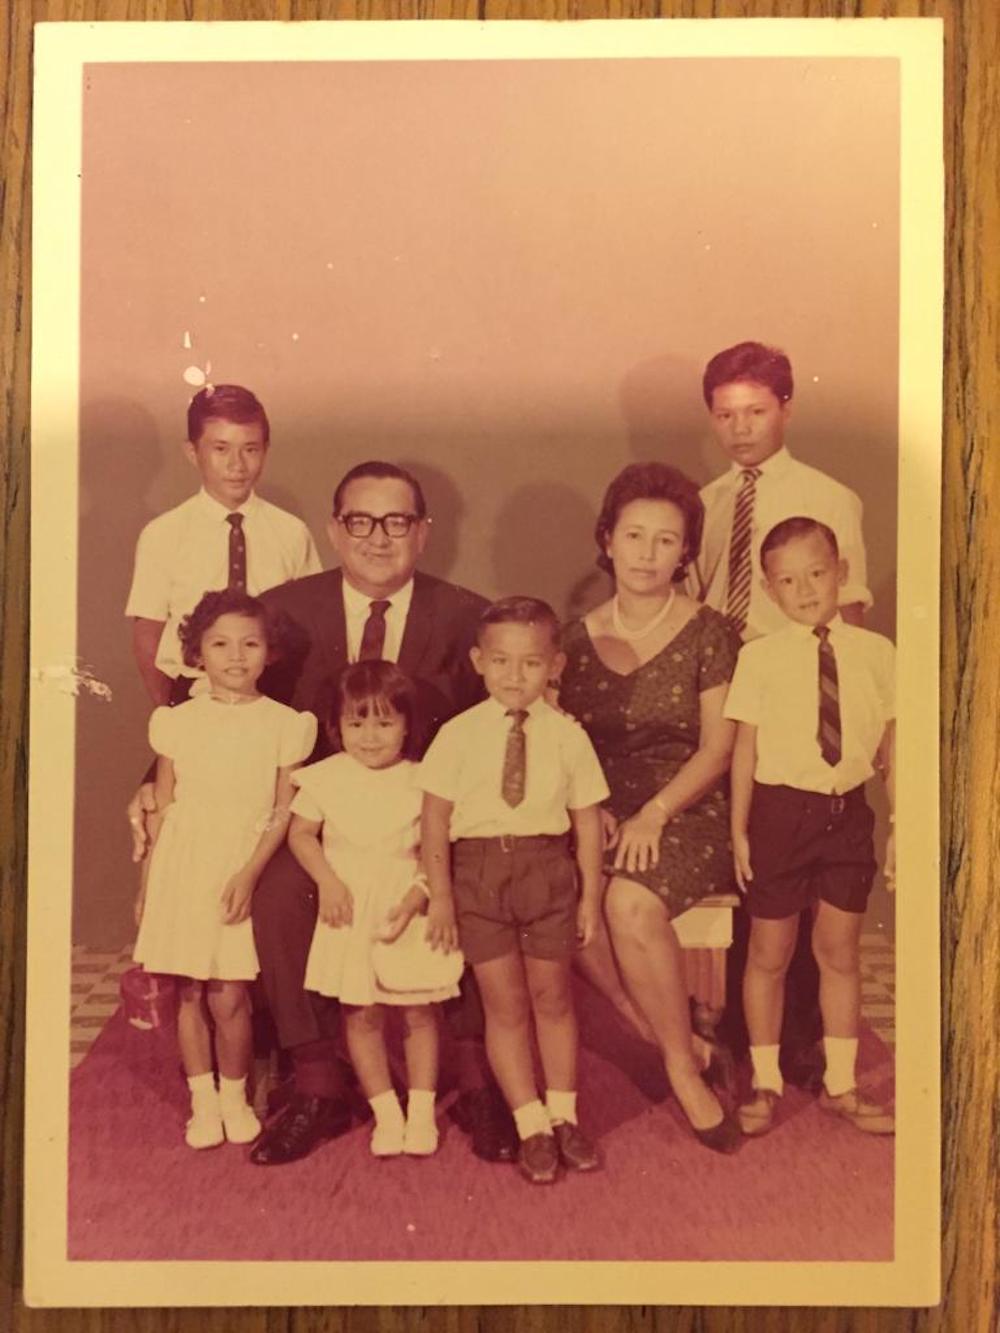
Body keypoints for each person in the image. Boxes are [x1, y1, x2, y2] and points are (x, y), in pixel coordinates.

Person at [692, 341, 873, 1087]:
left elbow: (852, 614)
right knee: (749, 861)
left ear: (787, 408)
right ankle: (734, 1027)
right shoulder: (706, 503)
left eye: (756, 412)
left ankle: (801, 1038)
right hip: (720, 688)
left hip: (797, 699)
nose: (740, 429)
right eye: (726, 416)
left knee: (805, 869)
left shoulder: (831, 498)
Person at [558, 462, 741, 1154]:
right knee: (558, 890)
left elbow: (719, 749)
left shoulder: (710, 632)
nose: (646, 553)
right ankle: (669, 1033)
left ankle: (677, 1069)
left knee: (629, 902)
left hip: (687, 806)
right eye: (633, 535)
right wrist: (592, 808)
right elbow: (563, 743)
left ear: (686, 552)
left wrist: (655, 813)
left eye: (666, 540)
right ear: (606, 539)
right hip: (599, 809)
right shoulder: (571, 641)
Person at [418, 597, 609, 1184]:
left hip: (546, 873)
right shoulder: (456, 735)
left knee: (552, 998)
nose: (513, 675)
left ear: (555, 665)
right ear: (479, 661)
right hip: (478, 874)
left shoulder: (569, 736)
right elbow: (433, 820)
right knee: (504, 1006)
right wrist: (444, 896)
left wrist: (590, 899)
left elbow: (586, 822)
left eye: (530, 663)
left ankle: (563, 1114)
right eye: (501, 661)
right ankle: (529, 1123)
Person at [725, 517, 895, 1136]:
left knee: (839, 951)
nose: (804, 590)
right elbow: (744, 747)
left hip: (846, 813)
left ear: (842, 573)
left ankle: (842, 1084)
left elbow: (892, 741)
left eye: (817, 573)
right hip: (779, 816)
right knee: (770, 952)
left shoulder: (877, 654)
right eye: (787, 580)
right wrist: (739, 830)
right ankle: (765, 1081)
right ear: (770, 591)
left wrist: (900, 818)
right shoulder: (759, 657)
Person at [133, 588, 317, 1148]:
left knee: (230, 993)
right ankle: (202, 1102)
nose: (236, 657)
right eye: (220, 644)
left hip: (241, 862)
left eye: (250, 644)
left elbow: (283, 809)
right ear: (197, 653)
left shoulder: (286, 724)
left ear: (270, 653)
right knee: (190, 990)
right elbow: (164, 806)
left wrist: (249, 872)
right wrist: (146, 889)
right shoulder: (176, 722)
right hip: (183, 865)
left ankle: (235, 1097)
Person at [287, 661, 460, 1158]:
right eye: (356, 723)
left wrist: (419, 895)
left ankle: (422, 1112)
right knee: (360, 1012)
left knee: (417, 1011)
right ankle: (387, 1113)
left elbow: (440, 848)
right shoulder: (326, 778)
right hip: (348, 905)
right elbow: (301, 835)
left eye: (384, 723)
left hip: (406, 902)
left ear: (408, 724)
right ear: (336, 727)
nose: (369, 736)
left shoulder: (424, 780)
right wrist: (328, 881)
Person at [125, 384, 321, 705]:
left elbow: (310, 625)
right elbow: (148, 632)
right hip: (193, 693)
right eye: (220, 449)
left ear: (265, 450)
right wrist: (168, 711)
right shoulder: (163, 534)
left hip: (275, 696)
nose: (237, 465)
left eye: (250, 449)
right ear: (192, 452)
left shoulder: (292, 532)